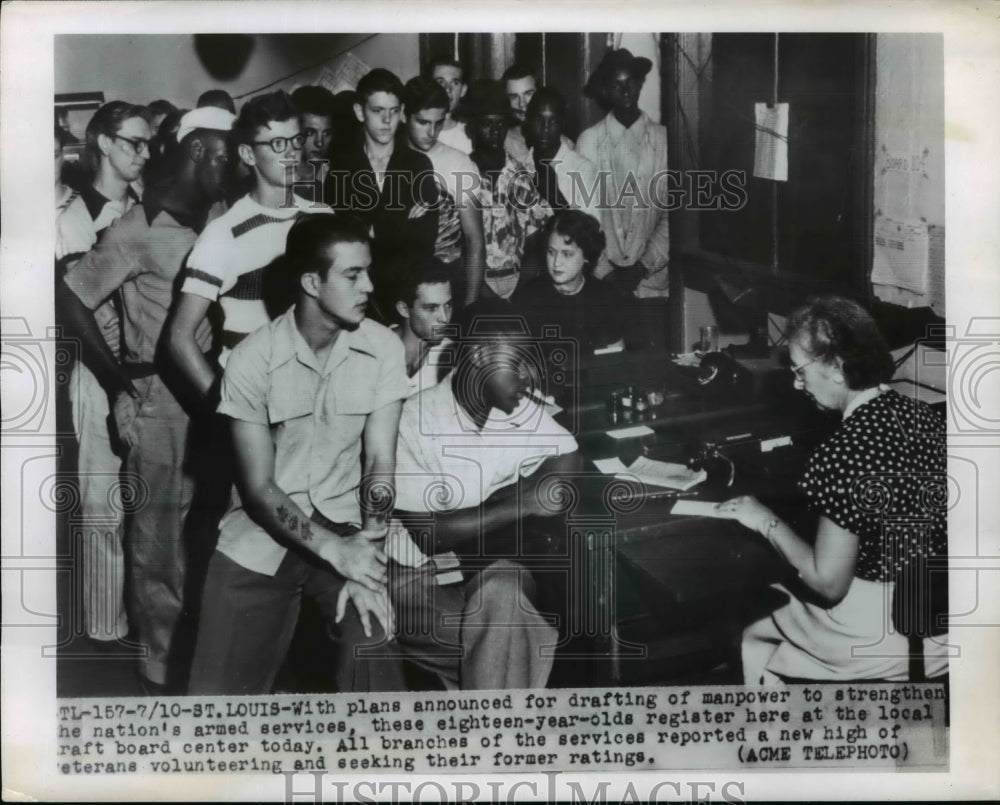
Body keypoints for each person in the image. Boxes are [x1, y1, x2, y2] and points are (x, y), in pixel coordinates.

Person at [188, 215, 409, 695]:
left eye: (367, 271)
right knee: (210, 707)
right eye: (352, 275)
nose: (369, 286)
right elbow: (258, 487)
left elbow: (380, 463)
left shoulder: (384, 347)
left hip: (350, 528)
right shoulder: (251, 360)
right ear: (312, 282)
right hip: (262, 533)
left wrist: (364, 556)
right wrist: (336, 552)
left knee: (373, 646)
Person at [57, 108, 235, 693]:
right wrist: (118, 386)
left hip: (209, 391)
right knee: (157, 538)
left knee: (207, 528)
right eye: (225, 154)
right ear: (198, 152)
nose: (232, 166)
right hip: (156, 396)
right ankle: (158, 665)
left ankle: (200, 649)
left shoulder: (216, 217)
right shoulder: (138, 225)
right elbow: (73, 298)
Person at [713, 296, 949, 684]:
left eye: (800, 370)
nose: (795, 382)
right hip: (948, 624)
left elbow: (828, 584)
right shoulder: (924, 416)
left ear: (837, 369)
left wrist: (763, 519)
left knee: (751, 618)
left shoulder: (842, 451)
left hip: (879, 632)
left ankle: (775, 737)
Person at [391, 316, 582, 689]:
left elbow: (569, 455)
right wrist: (520, 503)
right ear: (480, 357)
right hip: (415, 577)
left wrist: (497, 502)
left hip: (482, 567)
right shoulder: (411, 421)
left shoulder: (517, 409)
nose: (530, 376)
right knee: (515, 640)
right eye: (520, 362)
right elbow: (431, 535)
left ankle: (484, 725)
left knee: (505, 599)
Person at [56, 100, 152, 647]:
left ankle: (144, 619)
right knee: (103, 504)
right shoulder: (71, 217)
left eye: (147, 144)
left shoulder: (144, 207)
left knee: (150, 504)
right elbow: (71, 308)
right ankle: (104, 628)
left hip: (147, 368)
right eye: (134, 143)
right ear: (105, 144)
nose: (143, 153)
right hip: (98, 372)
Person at [168, 91, 330, 407]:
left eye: (296, 141)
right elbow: (179, 338)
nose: (292, 154)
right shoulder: (223, 235)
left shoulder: (323, 218)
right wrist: (227, 407)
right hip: (259, 403)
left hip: (320, 401)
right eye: (277, 144)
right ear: (248, 154)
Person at [324, 69, 439, 319]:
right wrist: (401, 223)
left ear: (403, 111)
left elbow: (424, 240)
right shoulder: (341, 166)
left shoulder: (418, 165)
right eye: (377, 111)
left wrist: (373, 229)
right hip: (355, 297)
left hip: (406, 297)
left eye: (394, 111)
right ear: (359, 112)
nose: (387, 120)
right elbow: (341, 240)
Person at [577, 48, 670, 299]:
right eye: (617, 85)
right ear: (605, 91)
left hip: (653, 282)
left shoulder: (666, 140)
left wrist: (641, 268)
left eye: (631, 82)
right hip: (603, 282)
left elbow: (674, 214)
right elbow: (584, 216)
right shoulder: (589, 141)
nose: (626, 90)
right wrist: (607, 273)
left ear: (640, 84)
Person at [463, 80, 551, 301]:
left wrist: (521, 290)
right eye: (487, 124)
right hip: (472, 283)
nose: (495, 131)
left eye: (501, 124)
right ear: (472, 128)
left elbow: (535, 238)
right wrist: (482, 293)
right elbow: (455, 249)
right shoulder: (460, 174)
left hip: (516, 281)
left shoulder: (521, 176)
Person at [401, 76, 485, 307]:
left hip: (447, 283)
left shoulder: (459, 162)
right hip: (399, 283)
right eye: (423, 122)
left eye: (438, 123)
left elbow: (474, 239)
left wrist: (470, 305)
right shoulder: (386, 158)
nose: (432, 131)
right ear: (402, 115)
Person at [513, 209, 625, 356]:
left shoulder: (605, 296)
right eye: (551, 252)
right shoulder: (526, 298)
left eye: (567, 254)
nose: (556, 263)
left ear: (587, 255)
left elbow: (616, 358)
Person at [522, 87, 601, 221]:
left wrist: (555, 196)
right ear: (528, 121)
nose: (545, 128)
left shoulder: (583, 170)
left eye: (553, 121)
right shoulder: (520, 168)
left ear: (563, 124)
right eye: (538, 119)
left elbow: (590, 235)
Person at [390, 257, 454, 397]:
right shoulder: (372, 352)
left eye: (448, 305)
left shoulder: (450, 355)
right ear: (404, 309)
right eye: (432, 308)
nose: (444, 318)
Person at [291, 85, 335, 193]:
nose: (319, 143)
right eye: (310, 132)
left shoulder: (338, 178)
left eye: (327, 133)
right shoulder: (275, 178)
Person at [426, 56, 473, 154]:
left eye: (455, 83)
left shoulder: (471, 136)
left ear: (463, 90)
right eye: (440, 82)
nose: (448, 89)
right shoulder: (417, 133)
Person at [500, 63, 539, 164]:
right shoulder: (500, 142)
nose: (522, 104)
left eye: (528, 94)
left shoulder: (563, 144)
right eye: (514, 97)